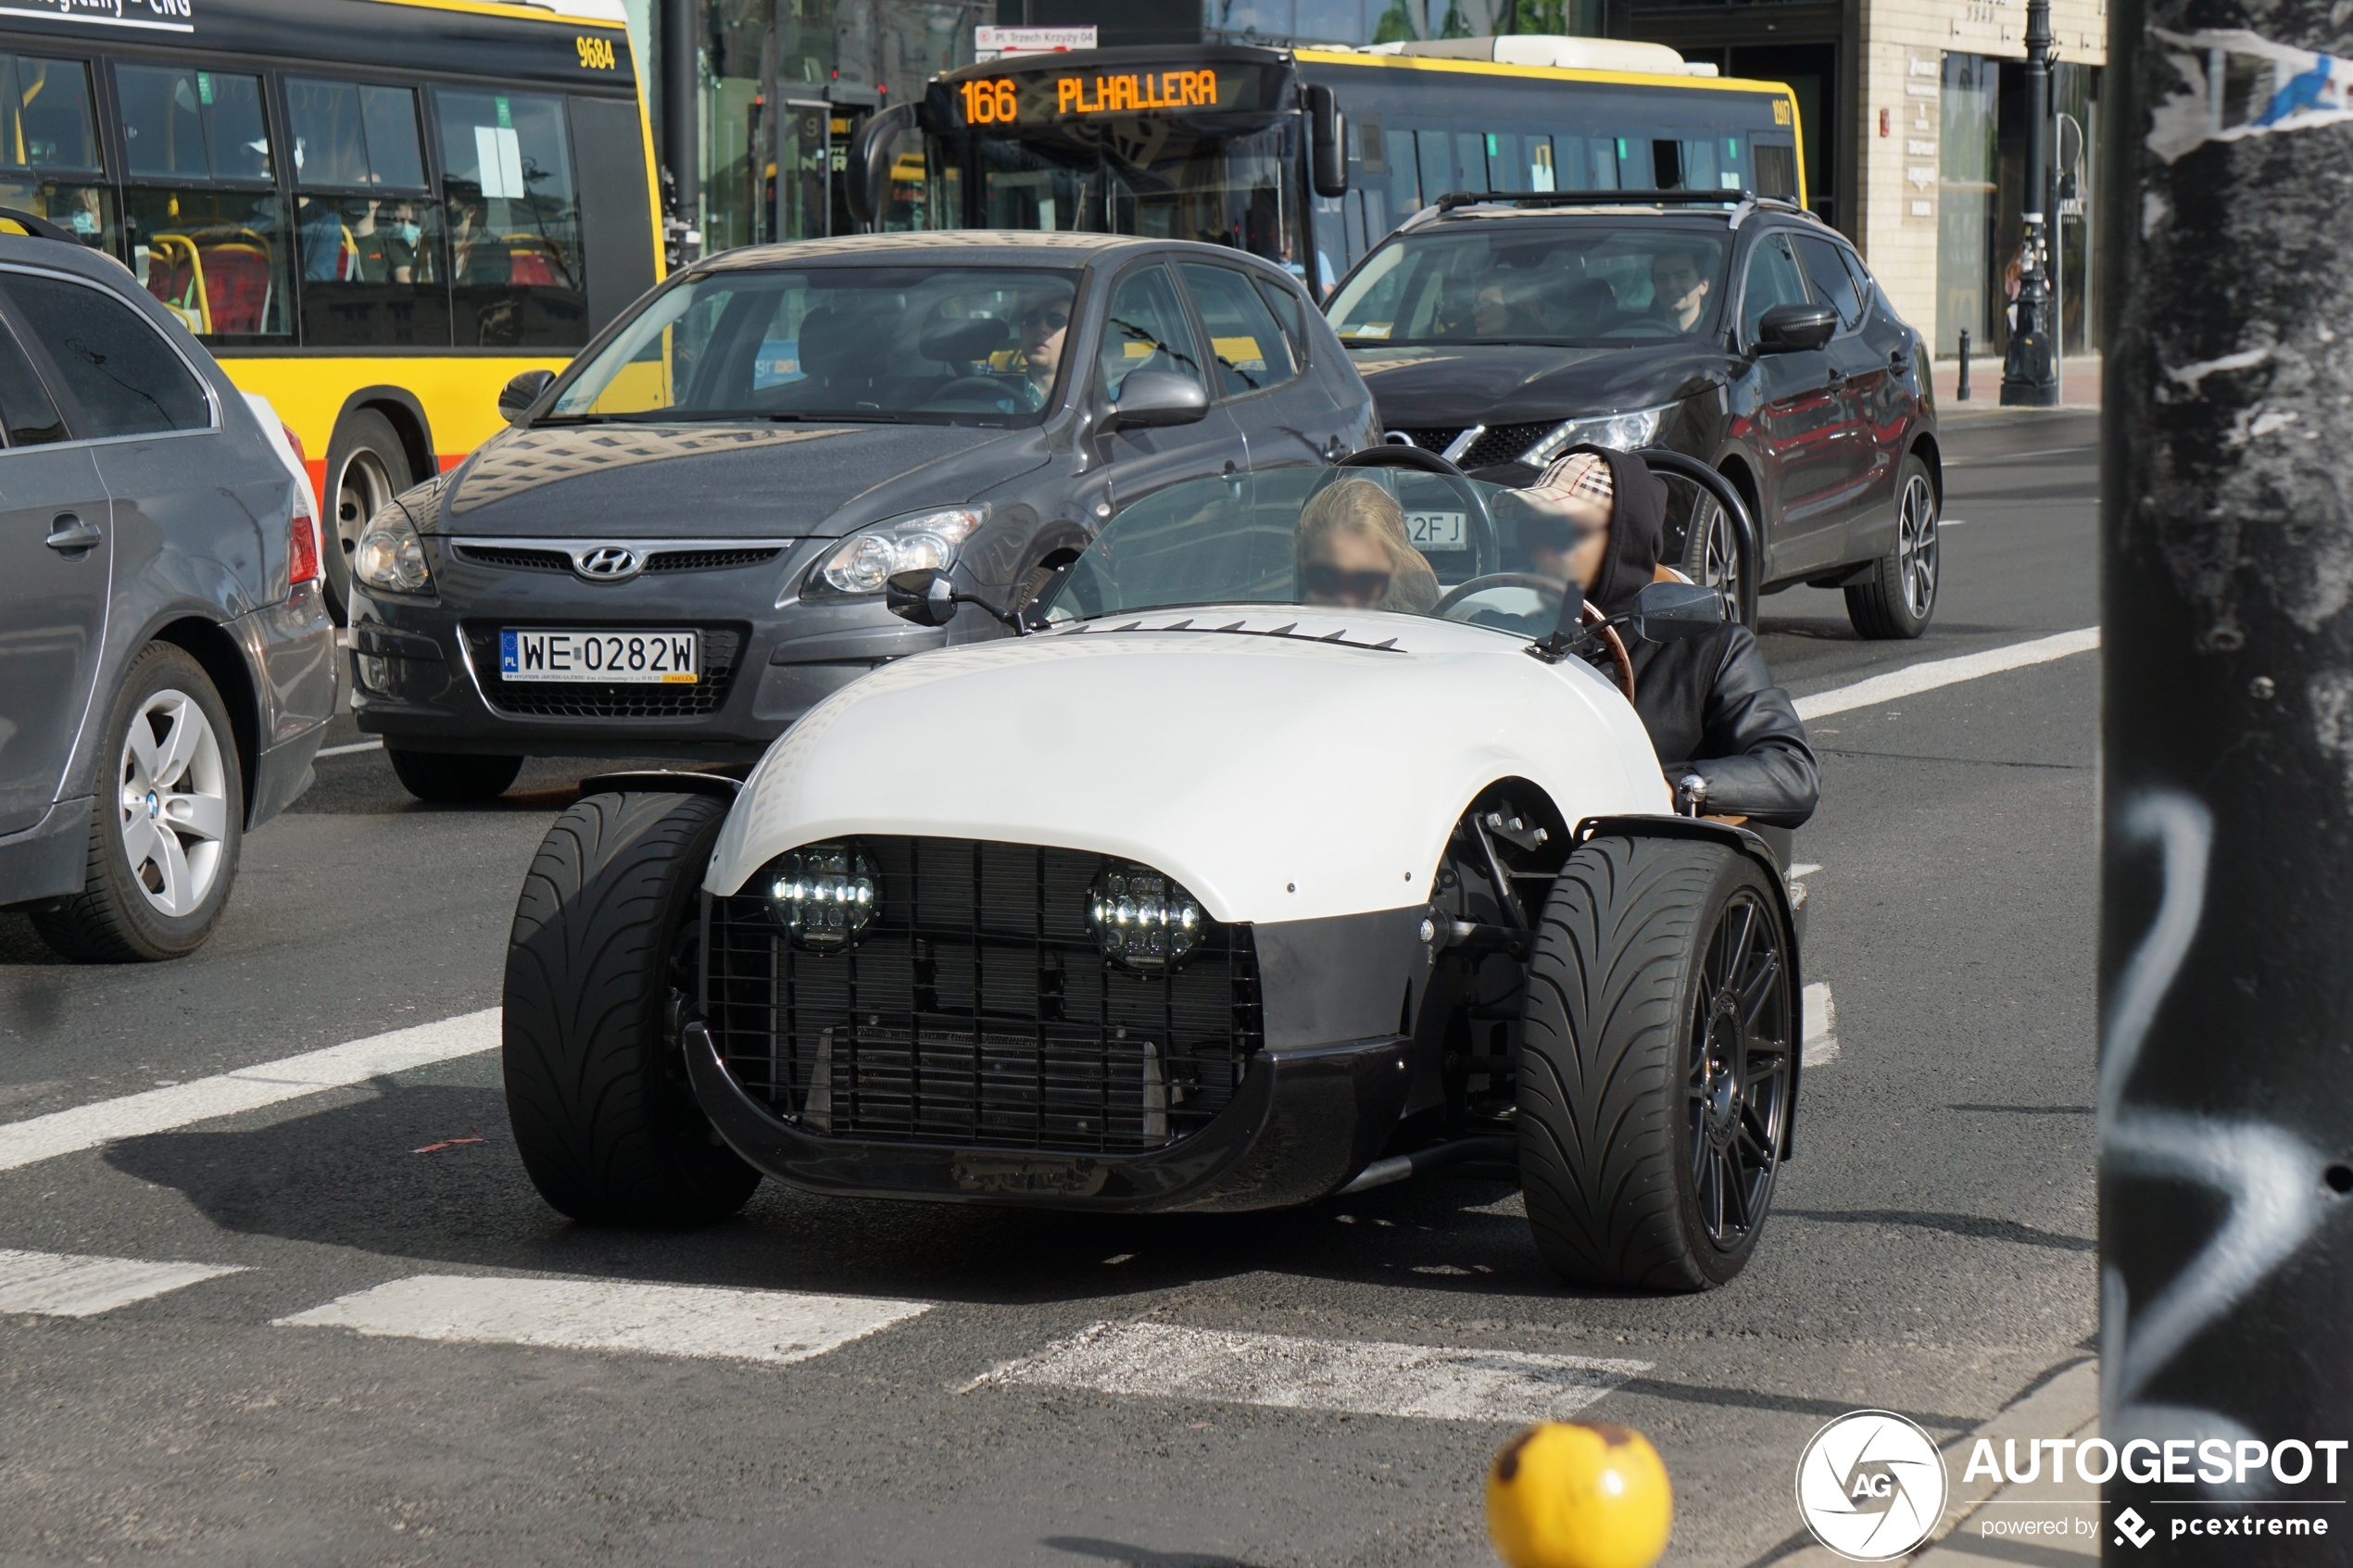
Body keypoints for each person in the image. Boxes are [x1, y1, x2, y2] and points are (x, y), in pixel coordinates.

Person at [1518, 447, 1818, 828]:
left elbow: (1793, 774)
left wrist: (1675, 789)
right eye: (1533, 523)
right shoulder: (1501, 629)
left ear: (1618, 543)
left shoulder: (1711, 650)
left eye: (1562, 527)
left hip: (1642, 857)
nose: (1539, 543)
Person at [1296, 479, 1441, 613]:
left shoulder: (1418, 634)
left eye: (1363, 578)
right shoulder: (1283, 626)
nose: (1347, 598)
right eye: (1327, 576)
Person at [1016, 295, 1068, 409]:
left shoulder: (1103, 403)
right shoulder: (988, 403)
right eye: (1031, 319)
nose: (1041, 328)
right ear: (1021, 332)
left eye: (1056, 320)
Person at [1648, 245, 1714, 334]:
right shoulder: (1638, 335)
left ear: (1703, 285)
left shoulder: (1716, 335)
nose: (1671, 286)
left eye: (1681, 277)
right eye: (1662, 278)